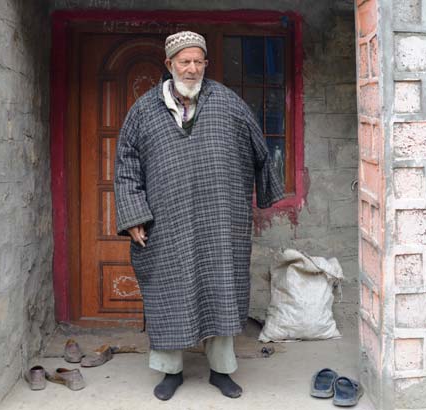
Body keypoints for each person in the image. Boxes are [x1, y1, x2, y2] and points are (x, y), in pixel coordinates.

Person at [114, 31, 284, 401]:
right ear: (170, 64)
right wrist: (133, 216)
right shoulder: (143, 110)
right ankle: (169, 371)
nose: (191, 69)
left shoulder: (228, 103)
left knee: (220, 288)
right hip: (165, 221)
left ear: (206, 63)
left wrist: (267, 191)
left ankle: (221, 370)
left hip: (220, 220)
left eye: (197, 61)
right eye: (184, 62)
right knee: (167, 291)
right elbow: (126, 166)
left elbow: (259, 146)